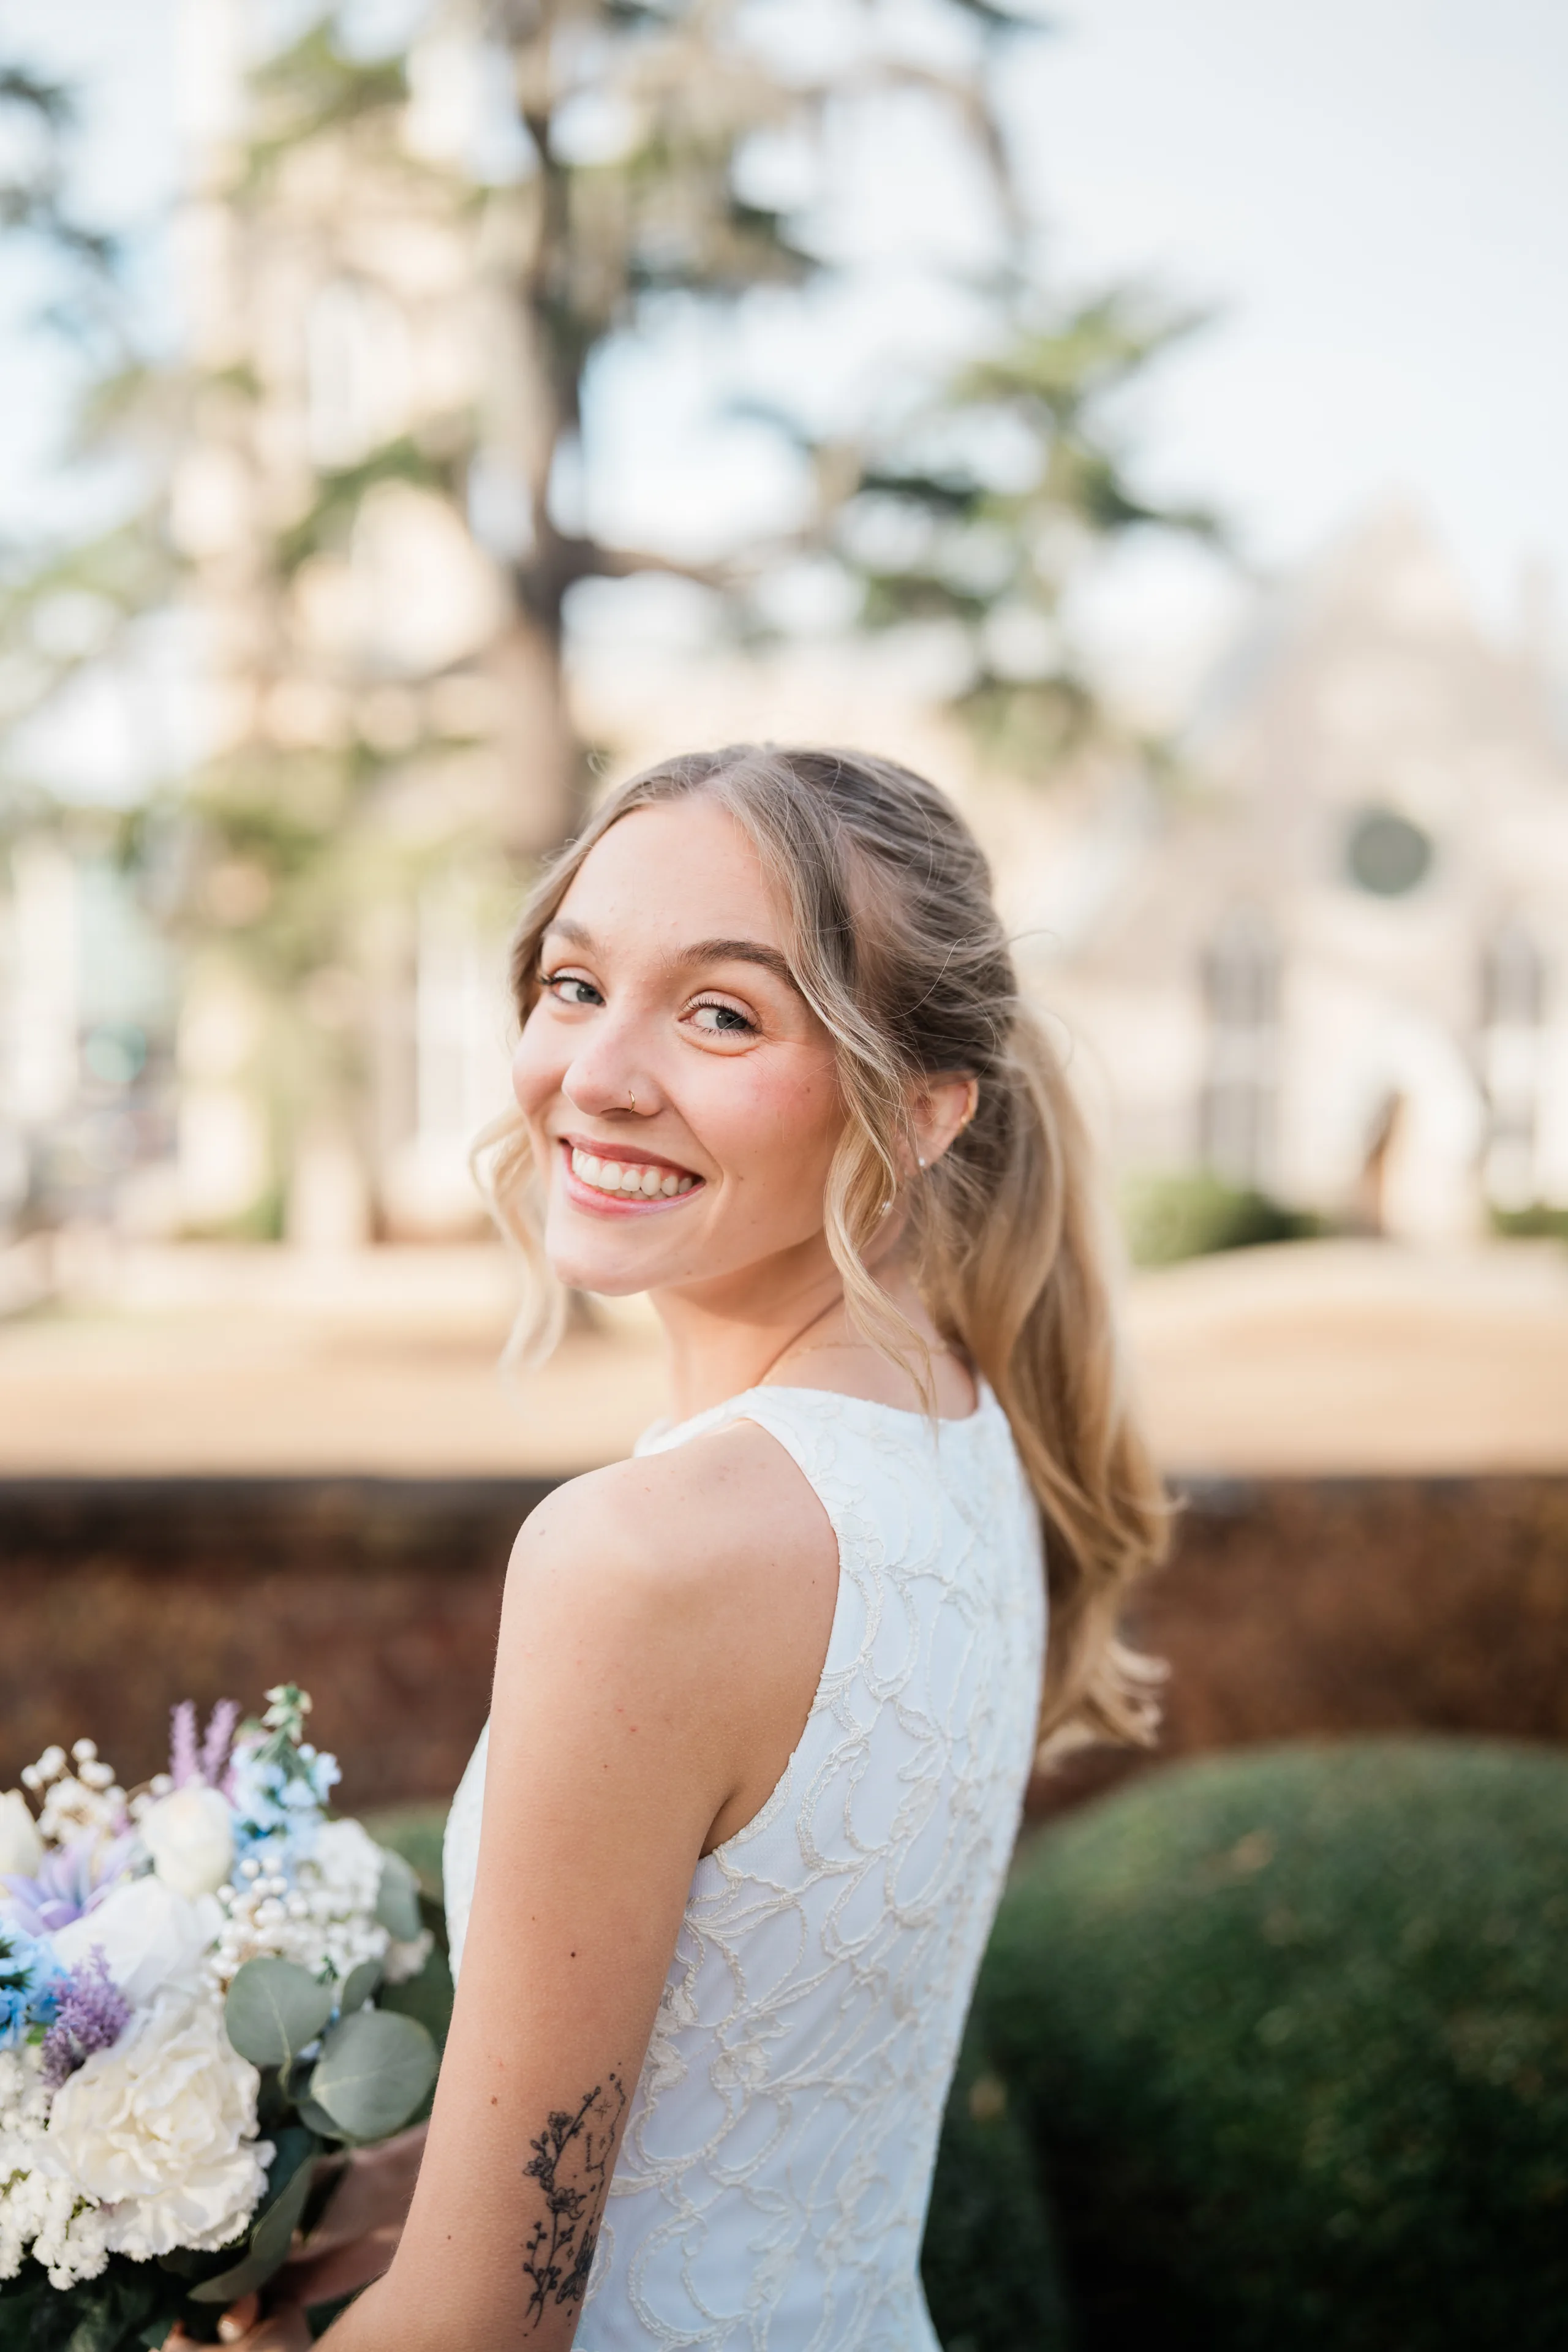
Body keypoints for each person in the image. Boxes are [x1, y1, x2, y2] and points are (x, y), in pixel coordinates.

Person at [217, 743, 1166, 2350]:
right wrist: (434, 2178)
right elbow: (752, 2049)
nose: (597, 1075)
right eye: (575, 984)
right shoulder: (970, 1434)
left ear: (925, 1110)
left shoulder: (640, 1557)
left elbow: (480, 2330)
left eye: (722, 1014)